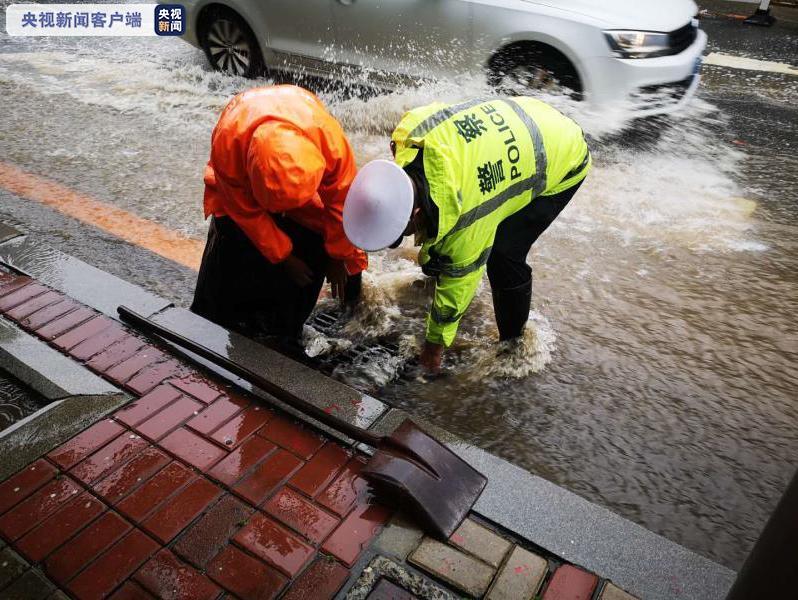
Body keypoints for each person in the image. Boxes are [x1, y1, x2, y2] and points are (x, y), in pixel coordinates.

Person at [342, 96, 590, 373]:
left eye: (402, 234)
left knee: (503, 255)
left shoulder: (465, 217)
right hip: (529, 114)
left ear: (415, 214)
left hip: (562, 156)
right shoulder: (409, 134)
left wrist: (434, 348)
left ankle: (513, 344)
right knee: (448, 239)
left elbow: (459, 282)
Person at [191, 85, 367, 355]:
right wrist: (284, 256)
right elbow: (244, 210)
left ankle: (287, 326)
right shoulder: (229, 139)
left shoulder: (329, 142)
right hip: (237, 182)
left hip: (302, 152)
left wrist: (338, 255)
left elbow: (342, 204)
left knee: (323, 232)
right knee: (230, 233)